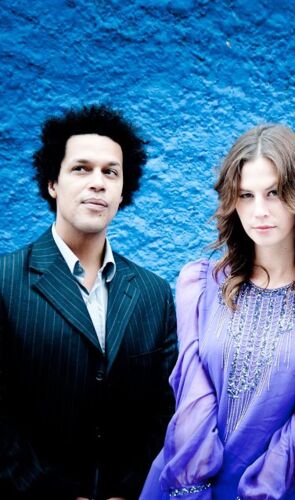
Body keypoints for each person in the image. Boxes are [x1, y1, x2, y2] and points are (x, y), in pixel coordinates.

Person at [140, 124, 295, 499]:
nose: (260, 211)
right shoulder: (198, 284)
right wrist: (193, 488)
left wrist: (260, 491)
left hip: (276, 491)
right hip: (184, 486)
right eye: (246, 195)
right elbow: (192, 398)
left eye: (274, 193)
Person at [0, 104, 178, 499]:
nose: (98, 183)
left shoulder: (154, 293)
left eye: (110, 172)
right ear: (53, 183)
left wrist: (128, 489)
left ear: (122, 191)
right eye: (81, 169)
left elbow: (165, 409)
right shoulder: (5, 282)